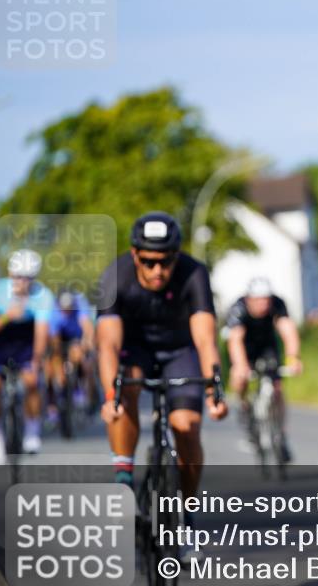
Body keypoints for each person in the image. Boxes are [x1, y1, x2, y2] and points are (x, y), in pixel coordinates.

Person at [96, 212, 228, 517]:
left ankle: (186, 514)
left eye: (166, 261)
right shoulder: (114, 276)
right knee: (123, 391)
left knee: (186, 426)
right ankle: (124, 479)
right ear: (134, 255)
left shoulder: (194, 273)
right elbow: (108, 345)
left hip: (179, 350)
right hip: (134, 350)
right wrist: (109, 396)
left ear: (177, 255)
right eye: (148, 262)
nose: (158, 270)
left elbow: (205, 340)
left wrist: (215, 392)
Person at [0, 249, 55, 462]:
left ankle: (31, 428)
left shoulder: (43, 295)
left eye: (28, 278)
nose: (22, 282)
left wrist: (36, 361)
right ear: (10, 274)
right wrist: (6, 317)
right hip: (0, 341)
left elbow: (41, 332)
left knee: (31, 380)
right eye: (18, 277)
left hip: (26, 342)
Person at [226, 277, 302, 461]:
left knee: (277, 387)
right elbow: (235, 340)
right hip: (246, 348)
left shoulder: (277, 303)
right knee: (240, 377)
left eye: (266, 300)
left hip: (268, 347)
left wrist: (293, 357)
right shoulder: (238, 308)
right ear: (249, 299)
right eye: (258, 300)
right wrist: (240, 365)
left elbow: (288, 330)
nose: (263, 304)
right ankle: (244, 406)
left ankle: (281, 434)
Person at [46, 289, 96, 421]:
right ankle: (54, 403)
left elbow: (88, 329)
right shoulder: (54, 312)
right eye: (64, 309)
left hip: (76, 337)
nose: (67, 312)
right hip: (60, 338)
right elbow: (54, 338)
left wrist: (86, 344)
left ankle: (80, 390)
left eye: (69, 309)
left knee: (83, 360)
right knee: (50, 368)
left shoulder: (80, 305)